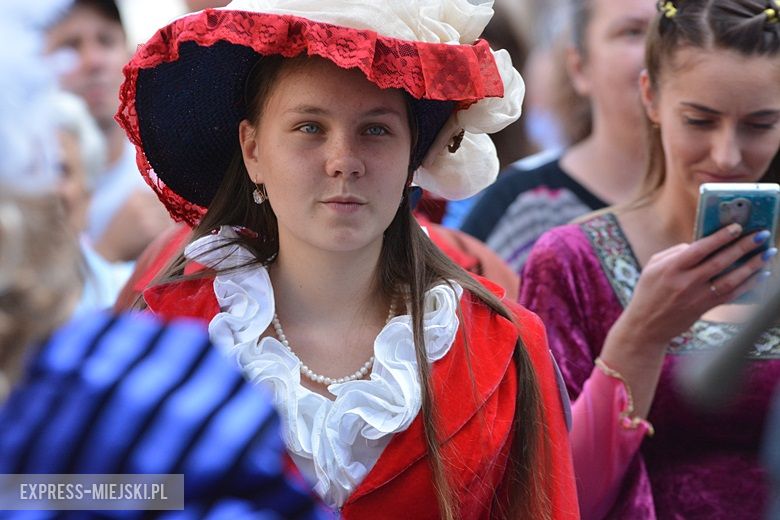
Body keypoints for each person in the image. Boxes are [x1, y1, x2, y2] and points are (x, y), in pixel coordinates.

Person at [115, 0, 578, 518]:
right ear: (253, 150)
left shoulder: (503, 346)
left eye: (375, 129)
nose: (343, 161)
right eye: (310, 127)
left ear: (412, 156)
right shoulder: (164, 331)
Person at [0, 2, 327, 517]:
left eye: (103, 40)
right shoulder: (152, 341)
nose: (341, 162)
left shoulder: (146, 378)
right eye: (309, 127)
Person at [520, 0, 780, 518]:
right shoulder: (572, 261)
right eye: (700, 121)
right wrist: (640, 335)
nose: (727, 155)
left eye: (759, 125)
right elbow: (548, 494)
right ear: (651, 96)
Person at [461, 0, 656, 273]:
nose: (658, 50)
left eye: (668, 29)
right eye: (633, 32)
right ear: (579, 66)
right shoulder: (524, 204)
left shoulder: (714, 187)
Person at [47, 0, 173, 264]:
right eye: (71, 46)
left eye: (106, 41)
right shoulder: (28, 187)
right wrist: (108, 252)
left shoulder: (171, 172)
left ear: (129, 52)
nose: (93, 61)